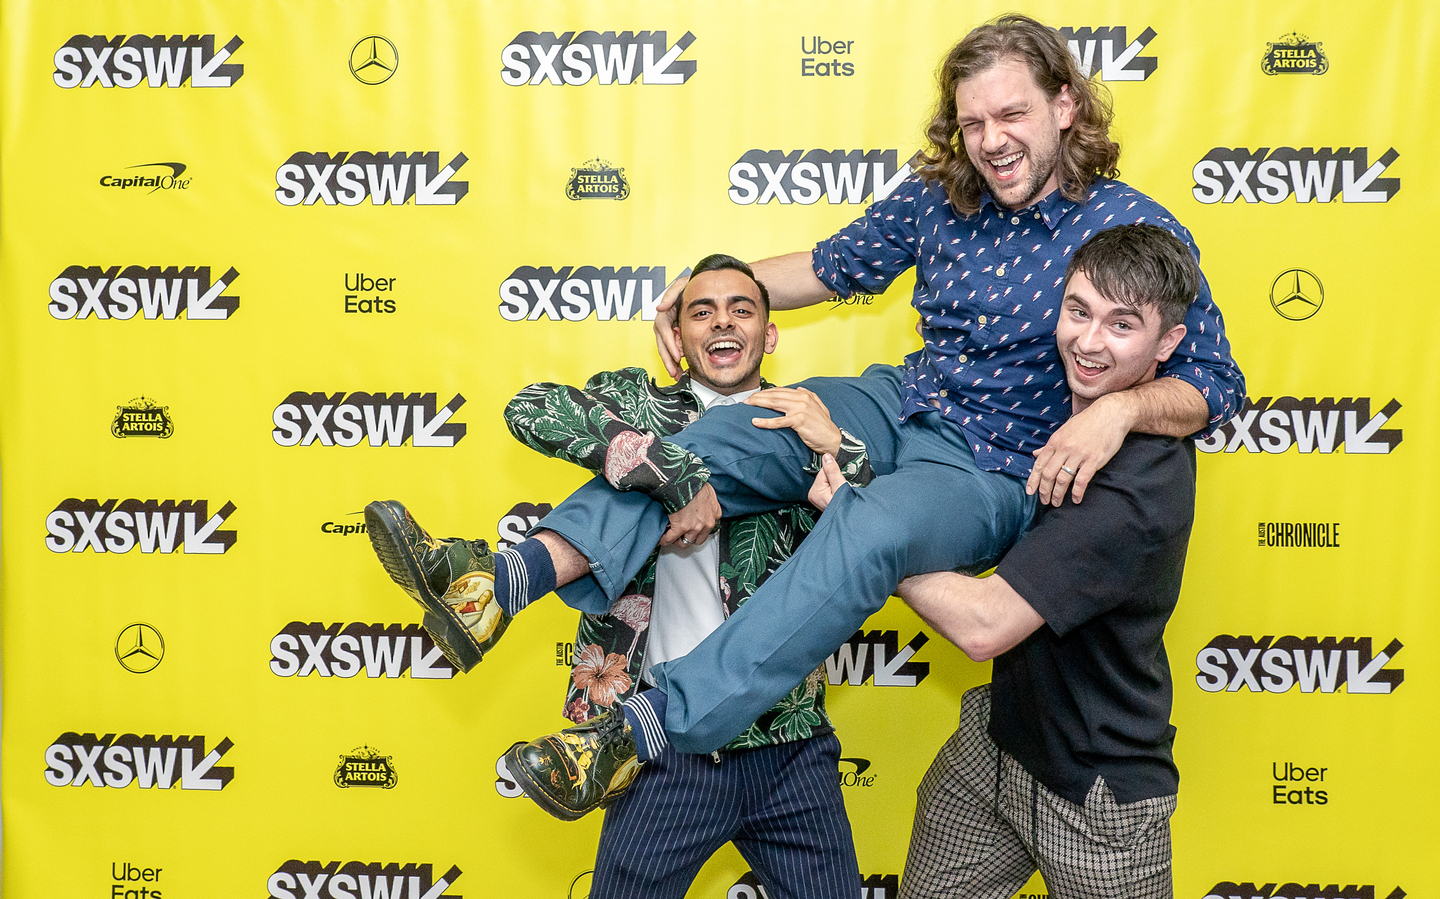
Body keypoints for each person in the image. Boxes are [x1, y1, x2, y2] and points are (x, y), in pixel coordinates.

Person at [399, 13, 1244, 818]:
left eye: (1011, 114)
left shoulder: (1131, 227)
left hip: (988, 466)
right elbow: (827, 266)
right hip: (899, 399)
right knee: (731, 430)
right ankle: (500, 582)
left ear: (1065, 105)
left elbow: (1216, 381)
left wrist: (1120, 408)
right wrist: (701, 284)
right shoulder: (942, 194)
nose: (991, 140)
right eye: (972, 122)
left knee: (868, 528)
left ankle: (642, 729)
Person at [368, 255, 867, 899]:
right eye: (702, 312)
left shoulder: (805, 422)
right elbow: (531, 408)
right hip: (655, 744)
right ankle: (498, 583)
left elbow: (884, 533)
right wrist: (672, 476)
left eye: (741, 310)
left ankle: (502, 581)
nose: (723, 323)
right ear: (676, 336)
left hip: (786, 742)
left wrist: (838, 447)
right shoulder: (640, 403)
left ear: (769, 334)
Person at [810, 223, 1198, 898]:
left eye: (1121, 324)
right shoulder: (1039, 404)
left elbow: (984, 624)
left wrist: (858, 521)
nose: (1089, 341)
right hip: (997, 740)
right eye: (1078, 311)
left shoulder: (1138, 487)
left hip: (1095, 787)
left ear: (1167, 344)